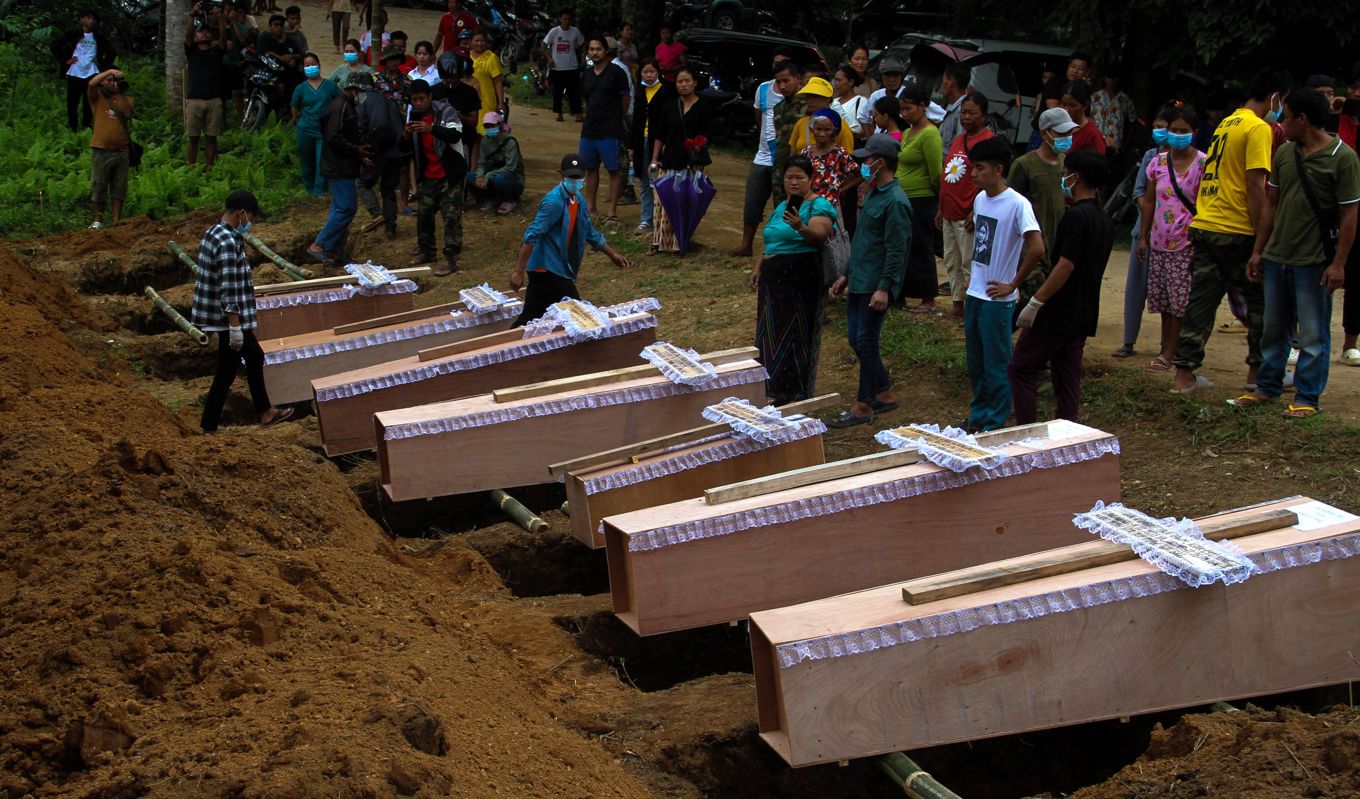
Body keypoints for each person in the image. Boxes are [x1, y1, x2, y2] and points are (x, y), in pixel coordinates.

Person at [1229, 88, 1360, 417]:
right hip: (1277, 257)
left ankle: (1307, 397)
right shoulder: (1285, 154)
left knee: (1313, 334)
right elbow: (1271, 204)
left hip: (1314, 261)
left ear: (1303, 120)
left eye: (1286, 117)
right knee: (1274, 328)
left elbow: (1349, 215)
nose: (1282, 123)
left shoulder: (1343, 159)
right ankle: (1268, 387)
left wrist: (1339, 264)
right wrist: (1259, 250)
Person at [1170, 70, 1288, 394]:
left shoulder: (1227, 123)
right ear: (1275, 97)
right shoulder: (1259, 128)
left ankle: (1183, 377)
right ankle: (1256, 375)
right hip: (1237, 227)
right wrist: (1261, 235)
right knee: (1260, 303)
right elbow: (1254, 184)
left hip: (1206, 224)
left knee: (1201, 303)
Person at [1009, 149, 1112, 424]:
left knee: (1021, 366)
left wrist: (1035, 303)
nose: (1063, 179)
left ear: (1076, 177)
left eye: (1066, 174)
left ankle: (1026, 430)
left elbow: (1065, 266)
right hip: (1085, 310)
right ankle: (1068, 432)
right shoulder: (1103, 219)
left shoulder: (1076, 217)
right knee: (1067, 374)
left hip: (1059, 311)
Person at [192, 190, 294, 433]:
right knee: (245, 362)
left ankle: (212, 424)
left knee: (229, 369)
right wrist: (235, 325)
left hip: (221, 316)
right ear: (241, 214)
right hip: (228, 318)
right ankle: (263, 413)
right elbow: (228, 287)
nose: (251, 223)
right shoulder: (227, 242)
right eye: (251, 217)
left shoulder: (214, 232)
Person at [827, 134, 911, 427]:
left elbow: (896, 250)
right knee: (857, 339)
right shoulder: (875, 192)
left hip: (875, 284)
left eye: (867, 160)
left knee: (865, 341)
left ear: (881, 163)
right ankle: (883, 391)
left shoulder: (896, 202)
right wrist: (846, 274)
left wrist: (885, 288)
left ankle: (863, 405)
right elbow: (862, 240)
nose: (863, 164)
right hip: (860, 279)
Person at [961, 137, 1044, 431]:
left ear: (998, 169)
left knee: (996, 363)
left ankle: (994, 423)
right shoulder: (981, 199)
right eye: (972, 167)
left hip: (998, 299)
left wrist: (1013, 283)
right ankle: (978, 416)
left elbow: (1036, 246)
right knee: (976, 362)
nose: (973, 174)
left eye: (979, 168)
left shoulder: (1018, 204)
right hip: (976, 292)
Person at [749, 156, 838, 403]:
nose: (794, 182)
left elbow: (819, 236)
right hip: (773, 279)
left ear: (811, 179)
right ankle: (769, 387)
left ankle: (792, 392)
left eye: (799, 177)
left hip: (800, 278)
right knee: (769, 332)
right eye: (789, 177)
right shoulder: (781, 207)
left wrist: (801, 226)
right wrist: (758, 266)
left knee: (795, 333)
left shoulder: (818, 206)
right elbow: (769, 239)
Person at [508, 153, 633, 323]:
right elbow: (531, 235)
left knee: (532, 316)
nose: (575, 181)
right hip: (548, 269)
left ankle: (507, 346)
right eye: (571, 177)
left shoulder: (578, 199)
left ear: (586, 176)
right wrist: (518, 271)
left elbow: (588, 230)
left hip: (557, 268)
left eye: (578, 177)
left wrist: (612, 254)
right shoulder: (554, 202)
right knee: (578, 316)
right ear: (561, 174)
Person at [1136, 104, 1205, 372]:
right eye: (1173, 130)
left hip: (1186, 243)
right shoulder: (1157, 162)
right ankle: (1166, 347)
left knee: (1179, 302)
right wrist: (1143, 237)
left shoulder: (1203, 163)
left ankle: (1169, 352)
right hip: (1158, 241)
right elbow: (1150, 201)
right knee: (1164, 300)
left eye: (1183, 131)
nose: (1177, 135)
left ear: (1194, 132)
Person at [1008, 107, 1076, 311]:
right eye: (1061, 134)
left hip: (1058, 245)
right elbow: (1011, 204)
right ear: (1045, 133)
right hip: (1032, 245)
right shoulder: (1024, 165)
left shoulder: (1066, 164)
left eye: (1069, 134)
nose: (1067, 138)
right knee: (1030, 299)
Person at [937, 92, 996, 319]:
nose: (966, 117)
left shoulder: (988, 141)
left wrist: (976, 210)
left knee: (970, 261)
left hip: (968, 212)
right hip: (949, 210)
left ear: (983, 115)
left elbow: (989, 181)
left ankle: (973, 306)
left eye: (972, 113)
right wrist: (941, 207)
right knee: (951, 260)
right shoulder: (958, 139)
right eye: (963, 112)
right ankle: (957, 303)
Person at [307, 72, 370, 268]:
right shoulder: (341, 107)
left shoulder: (342, 105)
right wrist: (356, 150)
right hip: (339, 166)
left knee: (340, 207)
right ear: (354, 89)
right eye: (362, 91)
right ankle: (319, 245)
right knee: (346, 207)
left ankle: (333, 250)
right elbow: (334, 137)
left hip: (340, 164)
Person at [648, 67, 714, 254]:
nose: (683, 85)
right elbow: (659, 135)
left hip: (692, 162)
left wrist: (699, 145)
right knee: (664, 200)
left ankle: (681, 242)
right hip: (670, 159)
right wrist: (654, 158)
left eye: (687, 81)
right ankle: (659, 242)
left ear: (694, 82)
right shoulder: (669, 106)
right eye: (679, 81)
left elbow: (709, 135)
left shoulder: (704, 107)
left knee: (686, 201)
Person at [406, 79, 467, 276]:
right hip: (427, 176)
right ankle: (427, 252)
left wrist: (431, 129)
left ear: (430, 97)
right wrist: (405, 135)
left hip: (450, 174)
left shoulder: (445, 111)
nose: (418, 103)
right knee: (423, 217)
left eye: (421, 99)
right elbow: (405, 149)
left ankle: (451, 259)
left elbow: (455, 134)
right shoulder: (412, 115)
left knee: (451, 218)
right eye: (414, 100)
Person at [896, 84, 943, 312]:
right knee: (904, 245)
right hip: (904, 197)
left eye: (908, 108)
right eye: (901, 109)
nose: (904, 114)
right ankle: (902, 291)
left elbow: (936, 172)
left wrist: (937, 199)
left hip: (922, 198)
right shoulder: (907, 132)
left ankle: (928, 297)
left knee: (922, 245)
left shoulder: (930, 134)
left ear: (922, 106)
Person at [580, 37, 630, 221]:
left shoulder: (617, 72)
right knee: (590, 169)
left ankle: (612, 211)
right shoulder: (586, 74)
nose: (595, 52)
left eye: (598, 49)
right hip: (589, 129)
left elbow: (626, 99)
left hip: (610, 129)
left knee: (613, 170)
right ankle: (590, 207)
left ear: (606, 50)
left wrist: (620, 117)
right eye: (591, 49)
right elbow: (587, 99)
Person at [354, 71, 405, 237]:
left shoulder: (363, 99)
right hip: (397, 150)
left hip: (379, 149)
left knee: (361, 183)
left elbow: (361, 127)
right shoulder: (390, 101)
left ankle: (377, 214)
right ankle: (391, 226)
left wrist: (365, 151)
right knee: (388, 188)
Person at [631, 59, 676, 236]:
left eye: (651, 72)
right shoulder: (640, 89)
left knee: (660, 181)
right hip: (641, 140)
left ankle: (662, 220)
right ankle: (646, 219)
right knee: (644, 181)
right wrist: (632, 144)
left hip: (661, 141)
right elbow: (635, 118)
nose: (648, 75)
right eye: (645, 72)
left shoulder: (667, 89)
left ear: (658, 72)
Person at [53, 9, 116, 131]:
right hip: (74, 72)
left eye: (93, 19)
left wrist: (102, 64)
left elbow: (111, 52)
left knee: (89, 101)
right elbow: (55, 45)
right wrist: (65, 60)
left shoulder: (98, 37)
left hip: (92, 73)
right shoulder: (73, 34)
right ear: (82, 19)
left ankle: (87, 127)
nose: (91, 21)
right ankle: (73, 127)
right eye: (89, 18)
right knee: (72, 102)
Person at [87, 68, 133, 230]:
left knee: (119, 186)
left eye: (115, 80)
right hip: (101, 148)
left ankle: (116, 219)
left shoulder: (125, 99)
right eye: (109, 80)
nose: (112, 83)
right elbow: (91, 83)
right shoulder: (97, 98)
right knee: (99, 184)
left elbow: (128, 113)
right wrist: (110, 71)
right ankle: (97, 219)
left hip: (121, 150)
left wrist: (121, 91)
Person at [291, 52, 340, 196]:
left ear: (319, 65)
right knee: (306, 160)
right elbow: (295, 110)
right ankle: (308, 187)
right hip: (305, 130)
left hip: (324, 131)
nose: (311, 67)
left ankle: (319, 190)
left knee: (321, 161)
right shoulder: (300, 88)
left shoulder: (330, 86)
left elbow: (338, 106)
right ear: (303, 68)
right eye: (307, 65)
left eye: (313, 64)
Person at [184, 7, 226, 170]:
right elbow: (188, 34)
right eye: (201, 32)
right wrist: (192, 14)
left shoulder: (216, 52)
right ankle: (191, 167)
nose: (205, 34)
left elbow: (223, 38)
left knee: (211, 137)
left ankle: (209, 166)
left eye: (207, 32)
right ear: (196, 37)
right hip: (194, 100)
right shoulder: (191, 51)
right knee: (193, 137)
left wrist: (221, 18)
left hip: (214, 100)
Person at [800, 109, 861, 212]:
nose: (822, 134)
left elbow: (860, 175)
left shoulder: (839, 153)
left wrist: (841, 190)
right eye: (818, 129)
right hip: (806, 202)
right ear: (812, 129)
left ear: (834, 131)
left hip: (829, 204)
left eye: (827, 130)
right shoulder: (806, 152)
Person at [467, 111, 524, 213]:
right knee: (470, 177)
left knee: (501, 178)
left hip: (510, 178)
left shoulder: (510, 142)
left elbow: (510, 168)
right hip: (490, 177)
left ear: (500, 124)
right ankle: (488, 199)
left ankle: (509, 200)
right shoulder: (485, 141)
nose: (489, 129)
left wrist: (488, 176)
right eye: (486, 126)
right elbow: (481, 163)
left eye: (492, 125)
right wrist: (480, 176)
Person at [769, 60, 807, 205]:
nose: (782, 86)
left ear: (797, 78)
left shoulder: (808, 105)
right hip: (780, 169)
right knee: (780, 211)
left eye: (786, 80)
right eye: (778, 82)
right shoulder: (779, 108)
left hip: (801, 169)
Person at [789, 77, 856, 155]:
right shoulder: (801, 123)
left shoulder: (841, 126)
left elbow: (847, 158)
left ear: (827, 98)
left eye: (815, 97)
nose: (810, 101)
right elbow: (792, 152)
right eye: (808, 97)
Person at [257, 13, 304, 120]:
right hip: (268, 72)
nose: (279, 27)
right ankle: (278, 108)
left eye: (281, 25)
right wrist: (281, 58)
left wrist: (291, 57)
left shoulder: (289, 40)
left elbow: (300, 55)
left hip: (288, 73)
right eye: (276, 25)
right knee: (280, 87)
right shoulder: (264, 37)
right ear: (270, 26)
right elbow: (263, 52)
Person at [542, 9, 584, 122]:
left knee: (574, 92)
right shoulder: (554, 32)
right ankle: (559, 114)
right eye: (565, 19)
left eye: (569, 19)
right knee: (557, 92)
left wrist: (583, 58)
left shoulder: (575, 32)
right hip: (557, 67)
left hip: (572, 67)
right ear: (560, 19)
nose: (567, 21)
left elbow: (582, 46)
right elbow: (543, 45)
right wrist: (549, 58)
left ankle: (577, 113)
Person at [223, 1, 258, 121]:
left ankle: (242, 120)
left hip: (235, 63)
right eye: (227, 11)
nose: (229, 13)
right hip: (220, 64)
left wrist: (233, 22)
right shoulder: (217, 24)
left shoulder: (238, 25)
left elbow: (243, 40)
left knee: (238, 93)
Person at [857, 58, 906, 134]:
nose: (891, 80)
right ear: (881, 77)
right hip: (880, 140)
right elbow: (863, 117)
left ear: (901, 77)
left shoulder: (908, 94)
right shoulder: (876, 95)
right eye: (887, 75)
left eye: (896, 75)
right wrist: (869, 139)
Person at [1091, 68, 1134, 154]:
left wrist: (1125, 146)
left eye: (1115, 78)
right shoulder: (1094, 97)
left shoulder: (1126, 100)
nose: (1111, 81)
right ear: (1104, 78)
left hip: (1116, 146)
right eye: (1109, 78)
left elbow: (1131, 124)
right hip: (1095, 144)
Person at [1060, 81, 1106, 154]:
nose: (1066, 110)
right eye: (1063, 104)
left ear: (1085, 105)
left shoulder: (1092, 135)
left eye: (1072, 106)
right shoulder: (1056, 126)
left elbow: (1097, 163)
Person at [937, 63, 971, 148]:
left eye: (943, 81)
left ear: (951, 82)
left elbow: (960, 147)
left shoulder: (962, 111)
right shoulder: (951, 106)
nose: (941, 85)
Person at [831, 65, 868, 142]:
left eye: (839, 80)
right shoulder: (833, 102)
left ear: (851, 82)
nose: (836, 84)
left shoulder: (861, 101)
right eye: (835, 80)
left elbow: (863, 130)